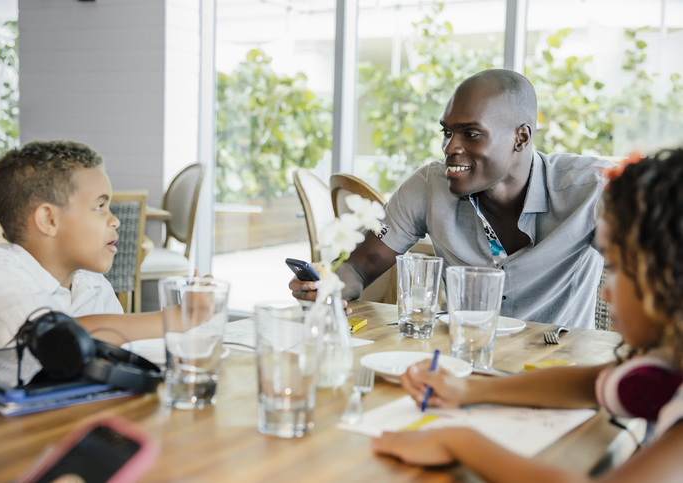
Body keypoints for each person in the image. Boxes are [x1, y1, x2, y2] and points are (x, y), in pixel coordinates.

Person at [372, 148, 683, 482]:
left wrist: (458, 441)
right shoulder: (661, 373)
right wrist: (469, 391)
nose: (606, 292)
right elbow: (593, 385)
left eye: (617, 267)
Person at [290, 69, 613, 328]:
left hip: (558, 368)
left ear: (521, 137)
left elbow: (650, 274)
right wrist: (324, 288)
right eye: (447, 132)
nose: (449, 148)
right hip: (461, 362)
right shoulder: (429, 186)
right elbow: (359, 269)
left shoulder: (589, 190)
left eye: (470, 134)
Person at [0, 140, 199, 354]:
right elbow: (58, 338)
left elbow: (116, 353)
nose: (115, 220)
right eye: (99, 207)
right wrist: (173, 319)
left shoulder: (93, 284)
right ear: (49, 220)